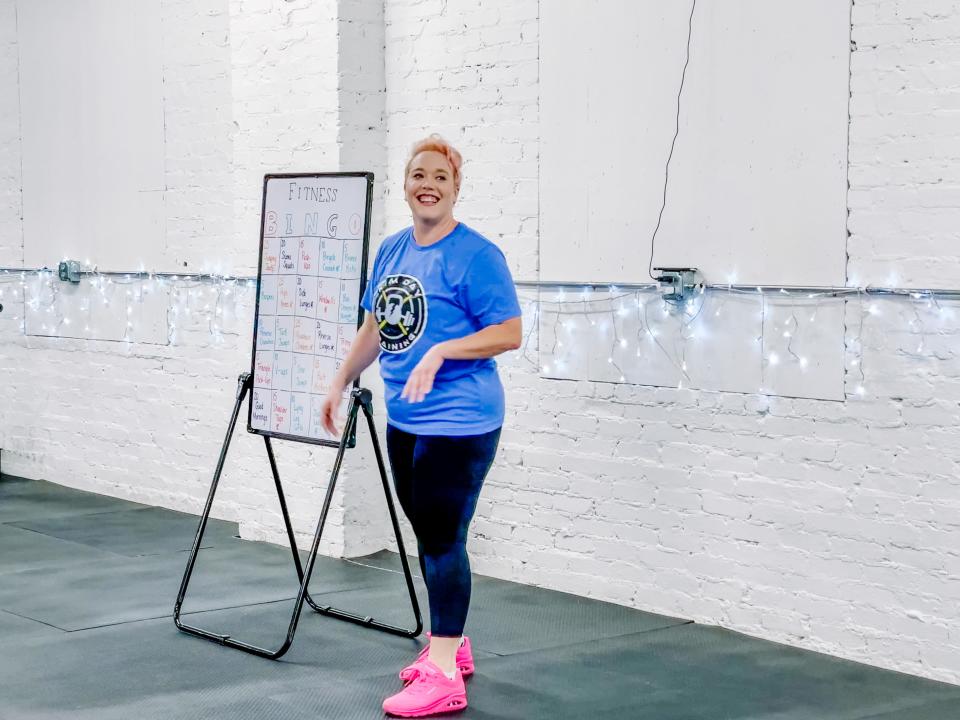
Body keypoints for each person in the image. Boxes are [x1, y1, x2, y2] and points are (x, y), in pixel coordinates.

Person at [320, 135, 522, 717]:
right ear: (406, 185)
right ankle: (449, 643)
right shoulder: (391, 251)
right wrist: (339, 381)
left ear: (456, 187)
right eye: (417, 174)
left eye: (440, 175)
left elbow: (508, 331)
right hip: (405, 417)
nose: (427, 183)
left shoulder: (477, 255)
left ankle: (441, 675)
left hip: (461, 422)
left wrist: (444, 352)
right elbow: (376, 327)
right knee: (430, 536)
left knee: (440, 539)